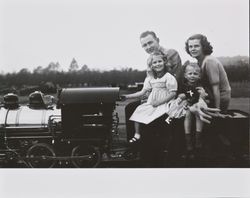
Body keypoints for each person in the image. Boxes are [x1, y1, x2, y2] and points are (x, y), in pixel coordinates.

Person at [122, 53, 177, 143]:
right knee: (139, 110)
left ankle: (155, 138)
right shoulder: (150, 79)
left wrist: (159, 102)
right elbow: (142, 92)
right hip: (152, 103)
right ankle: (137, 134)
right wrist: (127, 96)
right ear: (151, 65)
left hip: (164, 102)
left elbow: (173, 93)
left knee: (157, 116)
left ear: (164, 62)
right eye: (154, 62)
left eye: (159, 61)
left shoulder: (168, 77)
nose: (157, 64)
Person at [165, 63, 207, 151]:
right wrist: (186, 95)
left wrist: (200, 95)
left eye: (195, 74)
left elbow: (202, 96)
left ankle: (198, 137)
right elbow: (180, 95)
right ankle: (188, 139)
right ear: (185, 75)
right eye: (190, 73)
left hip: (197, 106)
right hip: (186, 106)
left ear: (199, 76)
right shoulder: (183, 85)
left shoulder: (200, 86)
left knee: (199, 114)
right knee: (188, 115)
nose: (192, 76)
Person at [185, 34, 231, 113]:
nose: (193, 49)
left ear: (203, 47)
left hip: (219, 99)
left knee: (190, 109)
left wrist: (217, 111)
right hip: (210, 96)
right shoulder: (200, 61)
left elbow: (216, 88)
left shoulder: (209, 61)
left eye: (196, 46)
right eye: (190, 46)